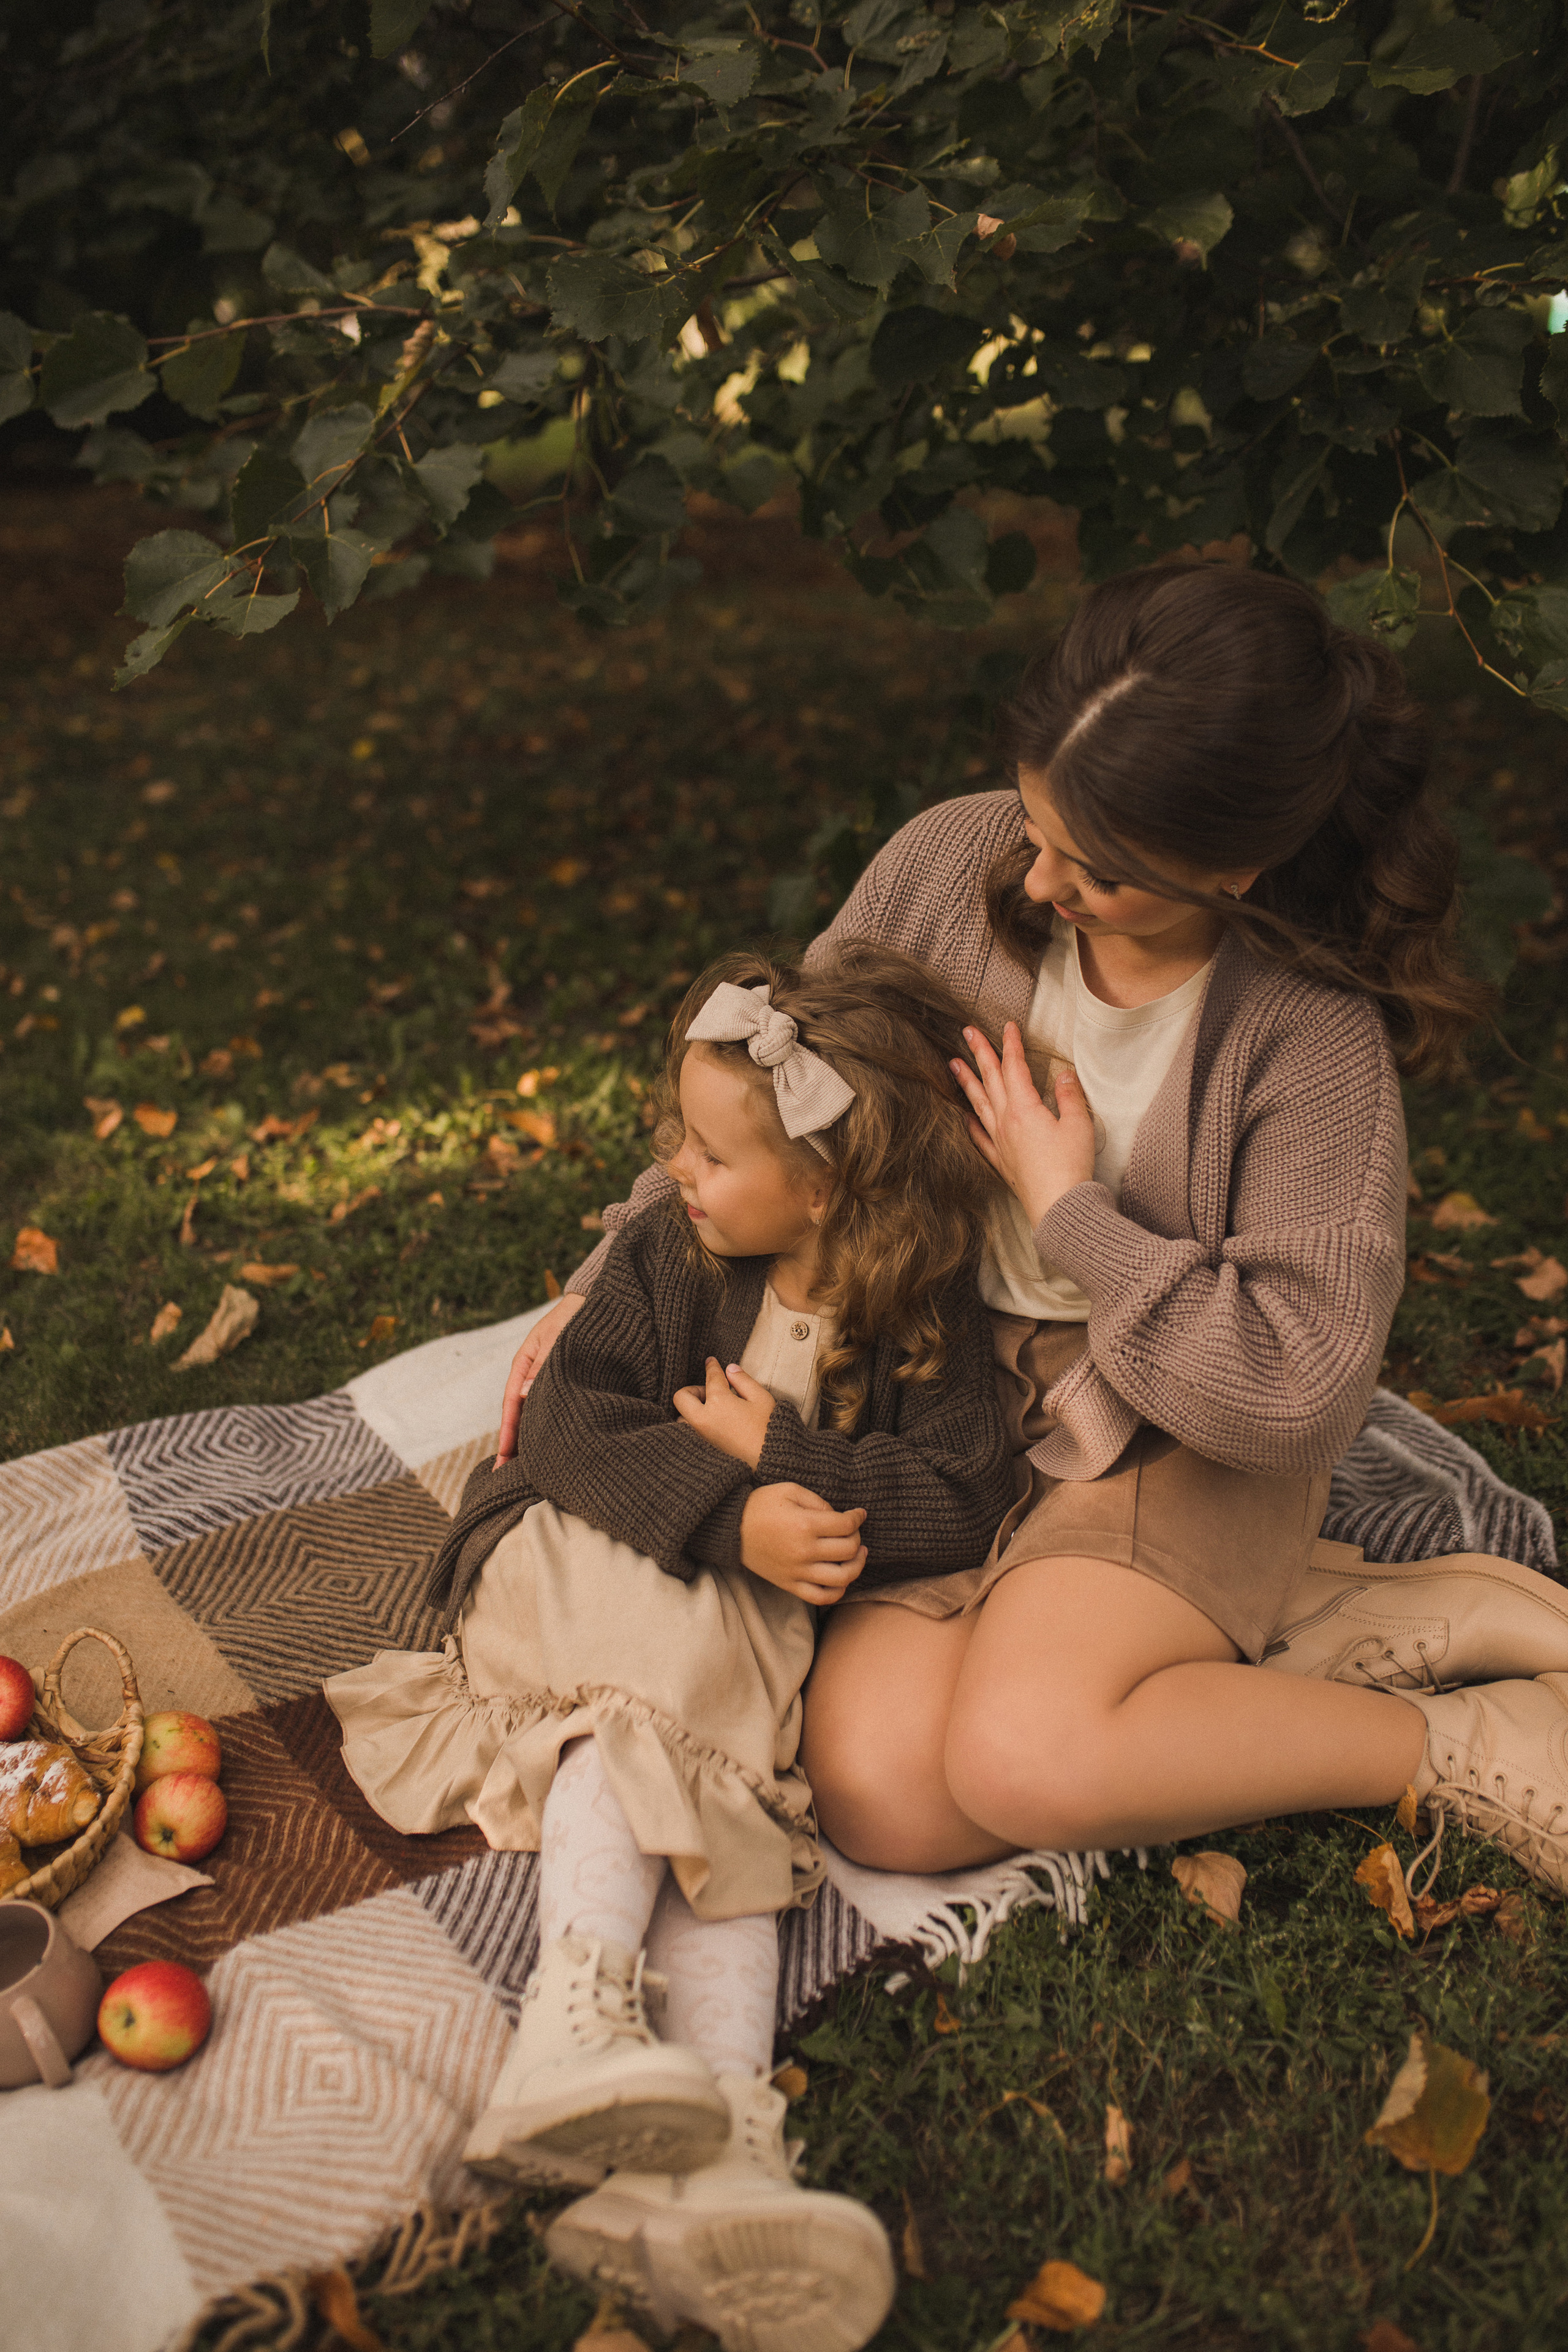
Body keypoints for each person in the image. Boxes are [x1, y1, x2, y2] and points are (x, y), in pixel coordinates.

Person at [511, 562, 1568, 1904]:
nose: (1043, 878)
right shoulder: (952, 861)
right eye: (1037, 822)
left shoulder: (1306, 1037)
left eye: (1104, 871)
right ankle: (1314, 1627)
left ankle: (1460, 1736)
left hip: (1176, 1437)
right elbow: (784, 1097)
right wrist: (602, 1275)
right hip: (932, 1405)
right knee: (878, 1796)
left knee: (1023, 1761)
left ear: (1236, 864)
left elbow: (1295, 1390)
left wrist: (1074, 1213)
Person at [324, 944, 1014, 2352]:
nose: (675, 1172)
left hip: (726, 1643)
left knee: (726, 1772)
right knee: (662, 1692)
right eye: (682, 1143)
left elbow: (959, 1498)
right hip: (575, 1562)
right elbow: (568, 1424)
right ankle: (570, 2017)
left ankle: (712, 2150)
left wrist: (793, 1464)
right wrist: (728, 1513)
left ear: (827, 1185)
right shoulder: (663, 1255)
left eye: (708, 1152)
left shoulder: (917, 1320)